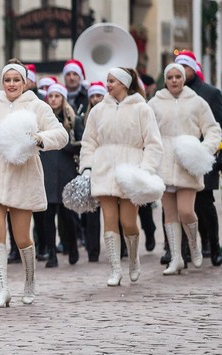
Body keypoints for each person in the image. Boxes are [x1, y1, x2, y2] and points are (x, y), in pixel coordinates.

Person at [0, 59, 69, 307]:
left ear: (24, 82)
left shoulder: (38, 106)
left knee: (22, 238)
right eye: (7, 80)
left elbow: (61, 135)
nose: (11, 84)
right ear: (2, 82)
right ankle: (2, 289)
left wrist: (39, 139)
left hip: (24, 174)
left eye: (16, 80)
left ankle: (29, 282)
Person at [79, 67, 163, 287]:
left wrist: (146, 170)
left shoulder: (142, 109)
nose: (107, 85)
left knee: (128, 222)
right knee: (109, 220)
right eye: (107, 80)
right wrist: (87, 167)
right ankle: (115, 269)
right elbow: (89, 142)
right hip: (103, 169)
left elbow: (153, 143)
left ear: (124, 84)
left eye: (112, 81)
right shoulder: (98, 110)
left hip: (130, 170)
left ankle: (133, 259)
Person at [149, 62, 221, 274]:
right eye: (170, 77)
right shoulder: (155, 103)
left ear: (184, 78)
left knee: (186, 210)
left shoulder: (197, 102)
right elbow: (147, 131)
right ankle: (176, 258)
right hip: (164, 162)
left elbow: (213, 130)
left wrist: (203, 150)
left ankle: (194, 247)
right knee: (169, 214)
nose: (174, 81)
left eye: (177, 77)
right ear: (165, 79)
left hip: (188, 162)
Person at [174, 50, 222, 266]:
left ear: (194, 68)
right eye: (177, 68)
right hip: (177, 159)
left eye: (185, 67)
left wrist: (212, 154)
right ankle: (180, 250)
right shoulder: (171, 94)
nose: (181, 72)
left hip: (204, 157)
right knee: (178, 206)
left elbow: (217, 127)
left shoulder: (210, 94)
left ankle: (213, 245)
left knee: (204, 203)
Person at [37, 83, 83, 267]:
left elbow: (81, 145)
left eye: (57, 96)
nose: (53, 99)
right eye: (51, 96)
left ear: (63, 98)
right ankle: (51, 254)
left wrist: (68, 145)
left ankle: (72, 246)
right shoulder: (41, 120)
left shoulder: (74, 120)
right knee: (47, 217)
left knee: (67, 217)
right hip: (47, 171)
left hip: (65, 172)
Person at [81, 81, 107, 262]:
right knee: (92, 211)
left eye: (99, 95)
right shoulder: (84, 117)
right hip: (92, 167)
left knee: (114, 207)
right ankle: (93, 250)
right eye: (93, 96)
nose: (96, 99)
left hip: (109, 165)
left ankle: (120, 248)